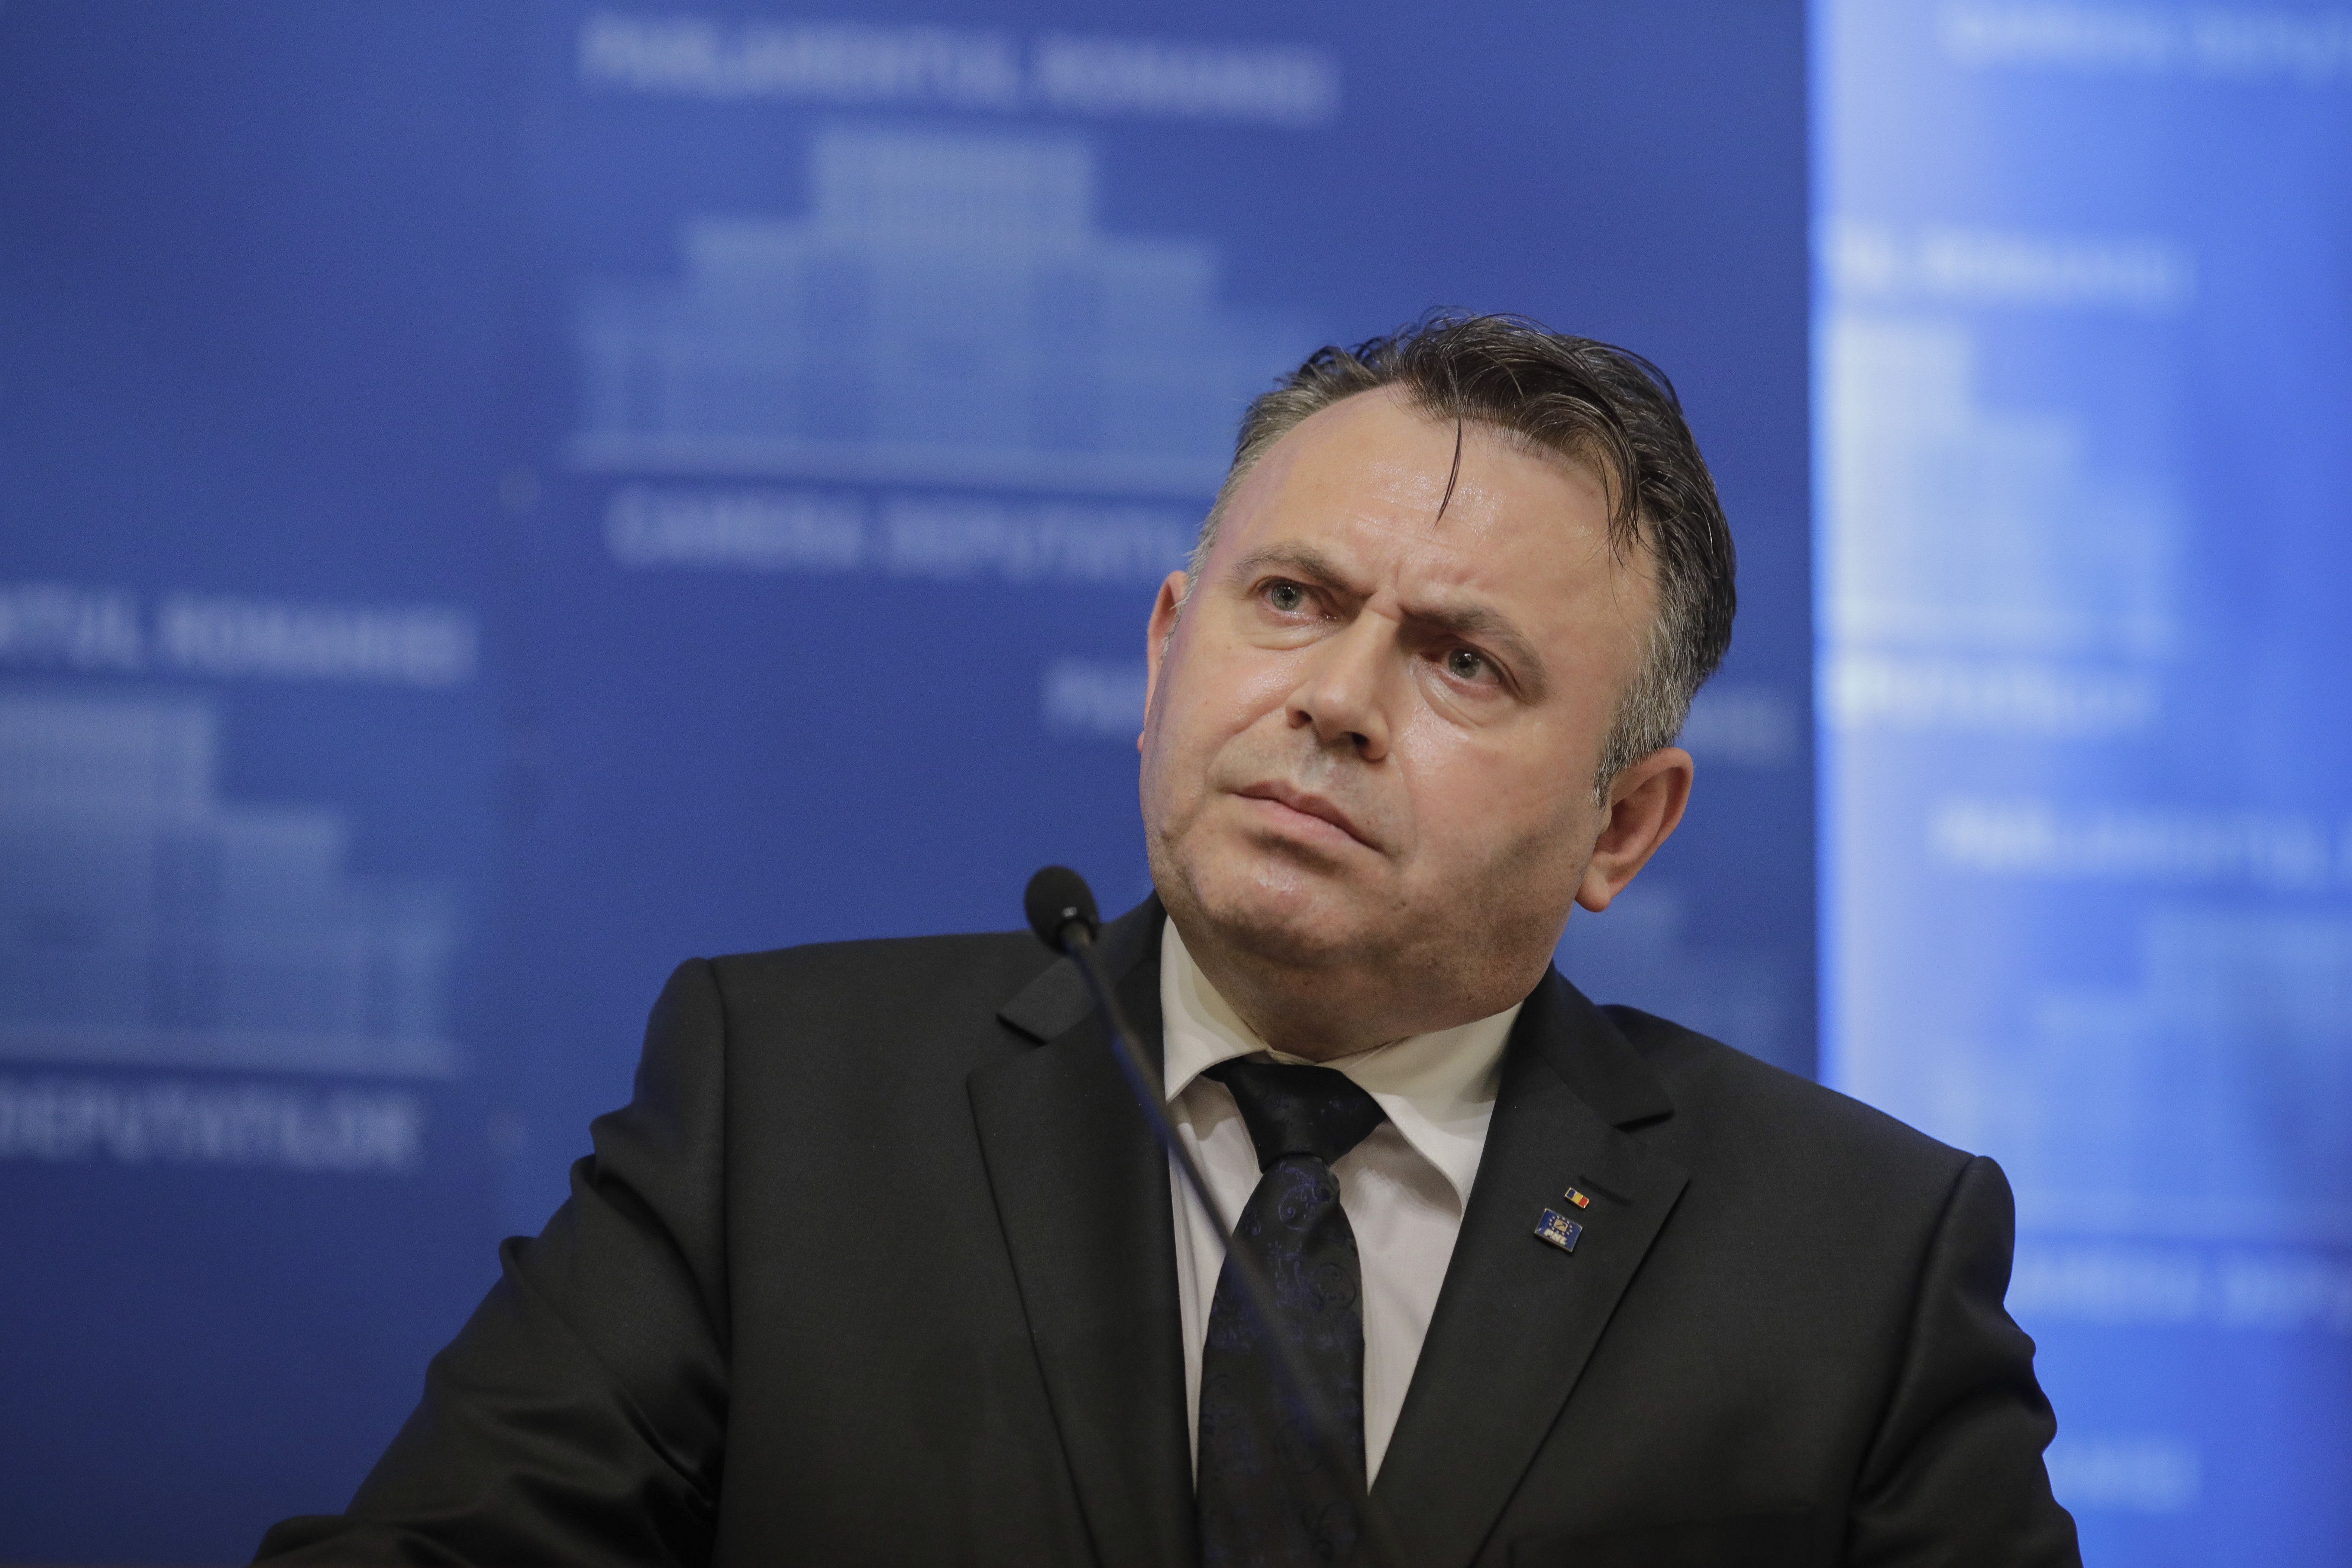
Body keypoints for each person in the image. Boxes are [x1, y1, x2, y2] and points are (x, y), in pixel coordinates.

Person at [257, 315, 2080, 1566]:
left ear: (1624, 823)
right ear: (1164, 649)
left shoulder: (1854, 1261)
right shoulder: (787, 1106)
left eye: (1462, 660)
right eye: (1290, 598)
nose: (1336, 700)